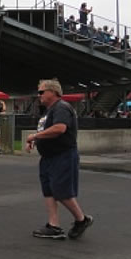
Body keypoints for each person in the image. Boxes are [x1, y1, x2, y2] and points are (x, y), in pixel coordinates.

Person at [26, 79, 93, 240]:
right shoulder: (48, 111)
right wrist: (35, 141)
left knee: (61, 191)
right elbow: (47, 130)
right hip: (48, 157)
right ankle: (54, 226)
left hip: (62, 155)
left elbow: (59, 129)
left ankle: (81, 219)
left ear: (53, 92)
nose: (39, 95)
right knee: (48, 190)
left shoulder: (62, 107)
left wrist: (35, 136)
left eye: (42, 92)